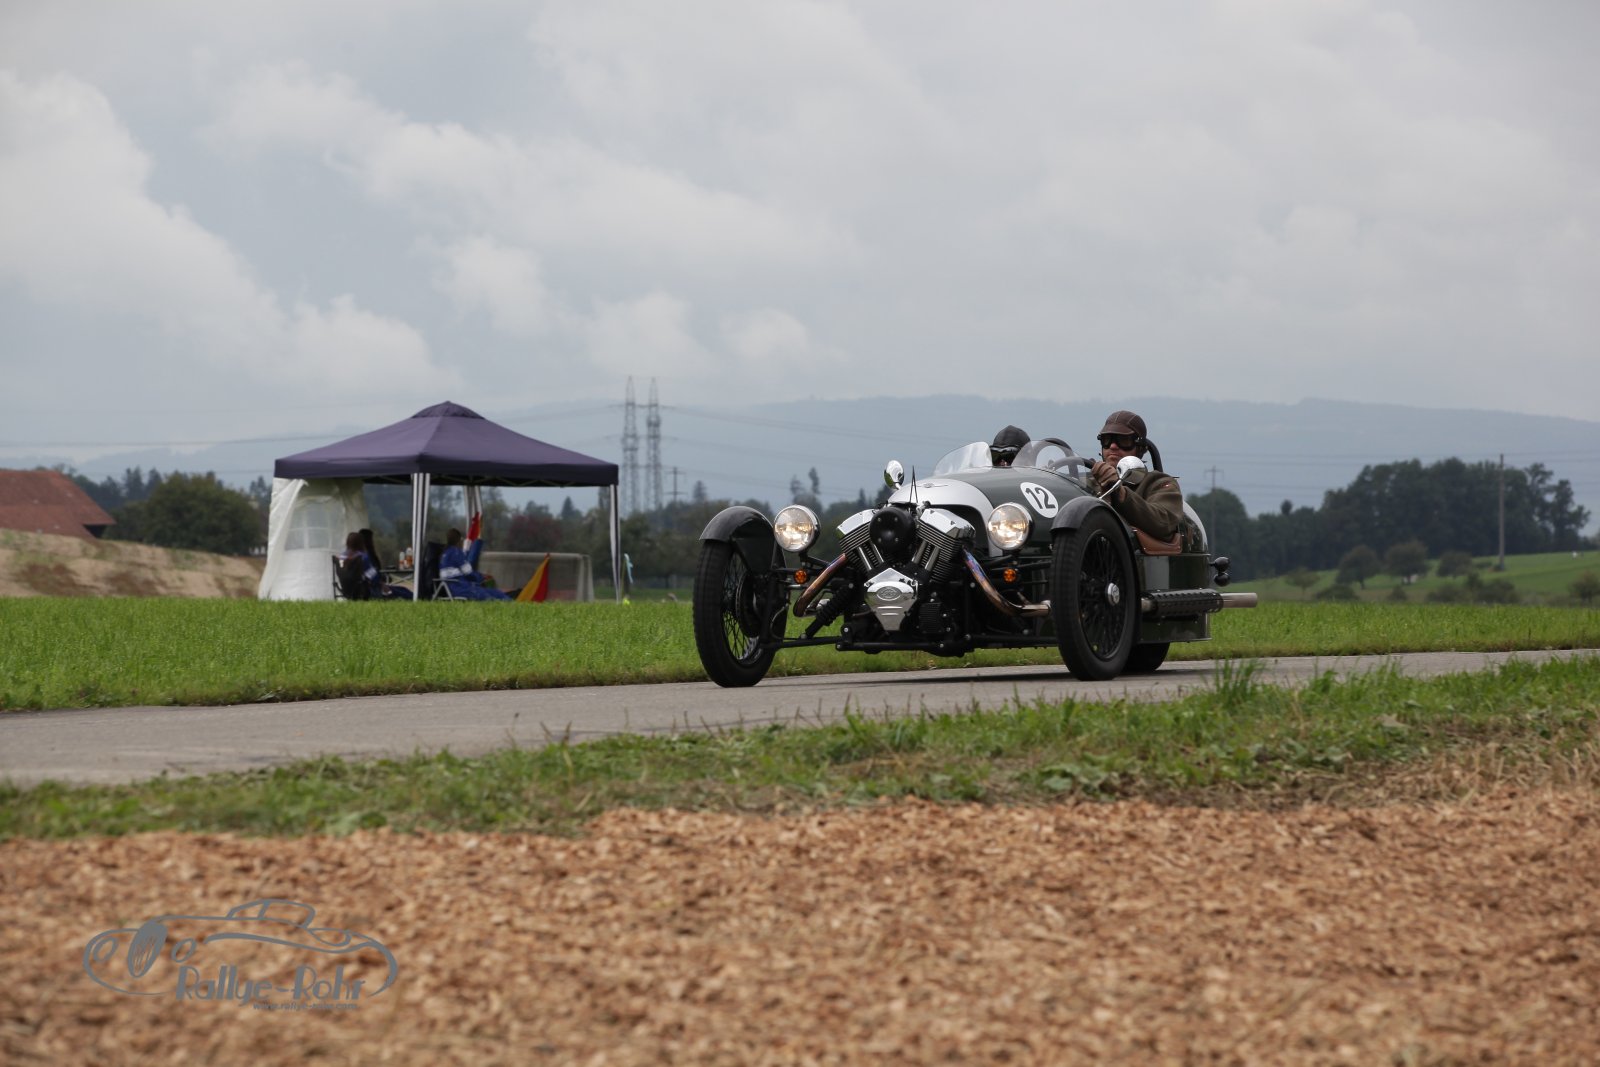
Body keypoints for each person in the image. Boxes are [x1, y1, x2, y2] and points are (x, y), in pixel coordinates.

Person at [1089, 410, 1184, 539]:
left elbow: (1163, 522)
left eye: (1124, 440)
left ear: (1140, 448)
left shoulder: (1159, 483)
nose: (1113, 446)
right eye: (1107, 440)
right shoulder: (1084, 482)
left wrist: (1120, 493)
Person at [439, 526, 512, 600]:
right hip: (461, 588)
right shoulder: (456, 552)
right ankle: (510, 602)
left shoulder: (446, 552)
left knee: (494, 592)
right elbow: (469, 573)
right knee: (492, 595)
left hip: (457, 586)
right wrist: (482, 578)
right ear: (458, 540)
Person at [337, 531, 381, 600]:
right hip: (364, 592)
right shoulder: (363, 557)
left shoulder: (342, 557)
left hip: (346, 590)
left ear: (348, 542)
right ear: (361, 543)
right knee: (399, 591)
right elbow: (373, 576)